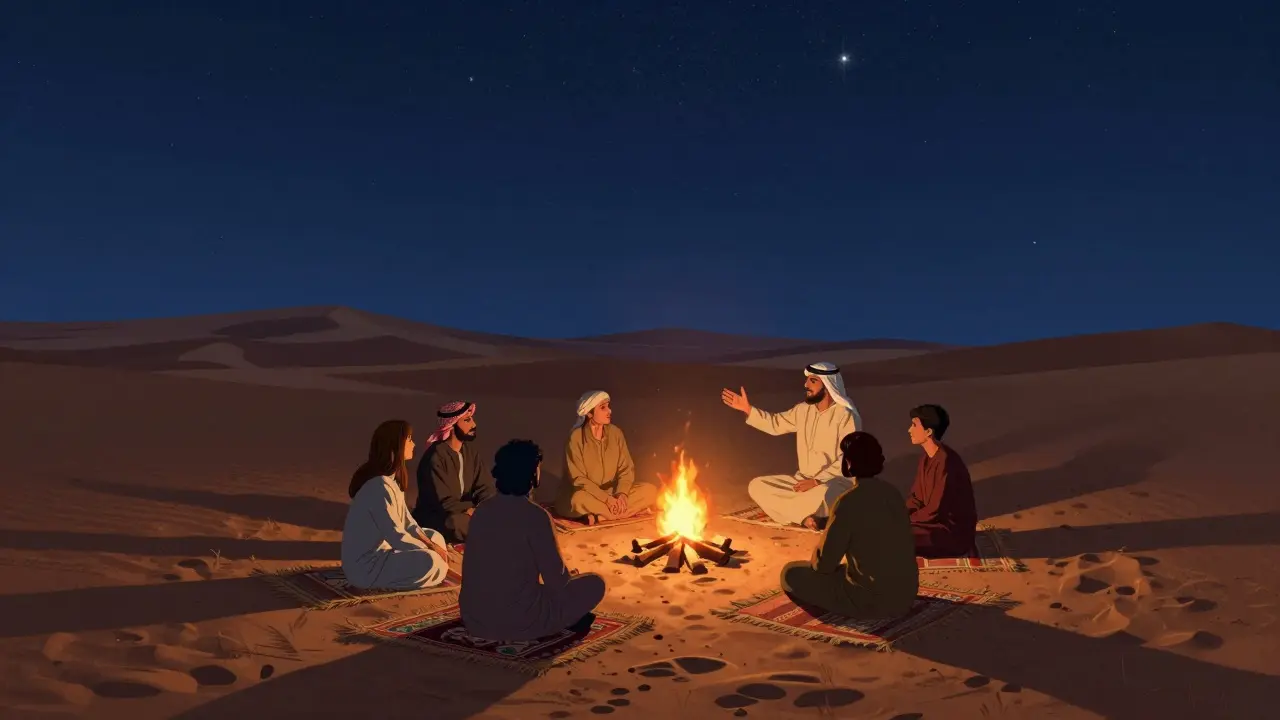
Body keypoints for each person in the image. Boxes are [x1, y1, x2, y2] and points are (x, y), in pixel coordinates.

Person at [460, 439, 607, 641]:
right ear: (533, 474)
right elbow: (557, 583)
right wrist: (569, 578)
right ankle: (564, 621)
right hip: (522, 621)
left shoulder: (481, 512)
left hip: (475, 619)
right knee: (595, 583)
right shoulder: (536, 516)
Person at [779, 431, 919, 619]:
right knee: (850, 569)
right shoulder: (891, 493)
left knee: (790, 573)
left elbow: (824, 565)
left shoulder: (847, 502)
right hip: (905, 596)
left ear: (849, 463)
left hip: (871, 601)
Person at [720, 361, 863, 529]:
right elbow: (775, 423)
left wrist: (817, 481)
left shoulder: (845, 415)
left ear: (828, 384)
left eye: (812, 381)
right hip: (801, 481)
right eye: (807, 380)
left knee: (825, 495)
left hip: (834, 482)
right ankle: (807, 518)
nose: (806, 385)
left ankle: (803, 513)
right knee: (757, 486)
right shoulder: (803, 410)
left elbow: (850, 457)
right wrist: (748, 409)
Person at [341, 420, 451, 590]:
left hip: (387, 552)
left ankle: (433, 567)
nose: (413, 444)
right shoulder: (379, 486)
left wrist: (431, 544)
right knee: (430, 561)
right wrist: (430, 551)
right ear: (396, 446)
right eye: (409, 439)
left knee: (436, 536)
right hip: (368, 567)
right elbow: (396, 535)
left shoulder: (391, 482)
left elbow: (408, 523)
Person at [554, 390, 658, 524]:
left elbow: (626, 469)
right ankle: (619, 513)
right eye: (603, 408)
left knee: (650, 491)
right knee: (577, 500)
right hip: (587, 494)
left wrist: (622, 494)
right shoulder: (575, 438)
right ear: (589, 413)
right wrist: (606, 500)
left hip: (612, 492)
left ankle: (601, 517)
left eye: (608, 406)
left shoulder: (616, 433)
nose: (609, 411)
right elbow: (578, 479)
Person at [412, 401, 496, 544]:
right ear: (452, 425)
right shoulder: (435, 456)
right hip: (439, 517)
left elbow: (485, 488)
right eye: (467, 420)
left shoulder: (471, 454)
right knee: (456, 522)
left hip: (470, 514)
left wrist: (482, 509)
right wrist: (470, 510)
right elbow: (443, 502)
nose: (473, 425)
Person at [906, 404, 978, 557]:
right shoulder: (926, 458)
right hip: (931, 523)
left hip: (950, 532)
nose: (909, 430)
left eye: (914, 425)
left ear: (928, 431)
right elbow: (916, 498)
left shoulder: (946, 461)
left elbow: (935, 511)